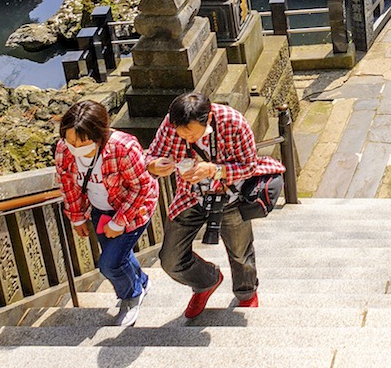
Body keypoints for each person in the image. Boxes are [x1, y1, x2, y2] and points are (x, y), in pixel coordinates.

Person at [145, 92, 284, 318]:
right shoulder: (172, 124)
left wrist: (214, 170)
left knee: (240, 252)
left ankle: (247, 294)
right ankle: (206, 281)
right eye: (181, 133)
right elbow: (152, 155)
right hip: (190, 195)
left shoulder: (234, 122)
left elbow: (249, 166)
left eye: (191, 133)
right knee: (170, 258)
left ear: (208, 118)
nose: (186, 138)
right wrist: (153, 166)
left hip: (230, 194)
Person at [55, 100, 159, 329]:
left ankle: (131, 296)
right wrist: (77, 216)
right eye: (69, 140)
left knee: (110, 264)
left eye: (81, 142)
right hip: (99, 209)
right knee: (118, 255)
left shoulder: (123, 147)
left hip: (134, 208)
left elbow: (141, 187)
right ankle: (141, 281)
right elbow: (67, 183)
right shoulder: (64, 149)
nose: (73, 147)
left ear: (99, 134)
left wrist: (120, 222)